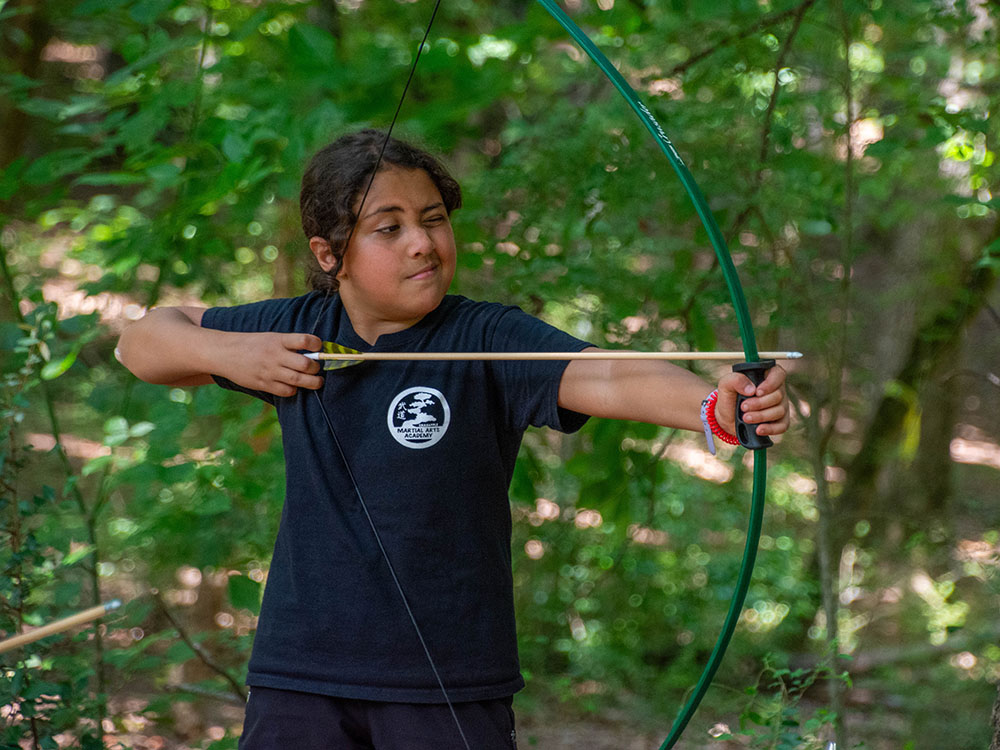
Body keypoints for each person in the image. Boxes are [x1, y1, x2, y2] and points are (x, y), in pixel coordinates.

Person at [117, 129, 789, 750]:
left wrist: (716, 406)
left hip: (446, 684)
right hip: (301, 674)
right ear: (330, 255)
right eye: (390, 227)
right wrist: (230, 355)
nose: (422, 241)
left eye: (433, 219)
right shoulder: (299, 330)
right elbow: (142, 340)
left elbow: (604, 373)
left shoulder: (483, 337)